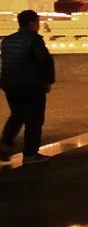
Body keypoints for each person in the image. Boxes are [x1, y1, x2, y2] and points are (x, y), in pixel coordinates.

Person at [0, 10, 54, 164]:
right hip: (31, 85)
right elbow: (45, 61)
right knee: (34, 119)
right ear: (31, 23)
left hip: (10, 85)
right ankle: (30, 153)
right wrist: (48, 81)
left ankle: (5, 144)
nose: (38, 25)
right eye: (37, 22)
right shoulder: (34, 40)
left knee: (16, 115)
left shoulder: (7, 41)